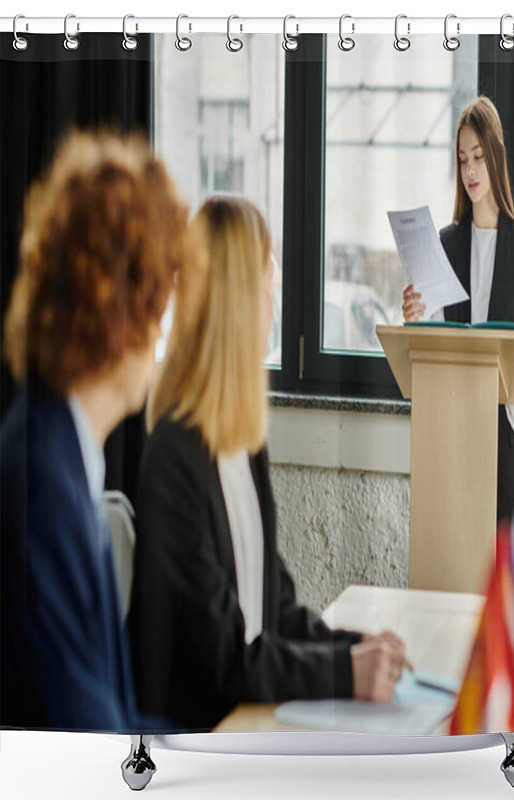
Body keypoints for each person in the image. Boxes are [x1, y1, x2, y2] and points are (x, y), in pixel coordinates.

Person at [128, 196, 409, 732]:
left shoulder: (241, 440)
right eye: (267, 280)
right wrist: (344, 674)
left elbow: (274, 609)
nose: (275, 300)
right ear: (238, 301)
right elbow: (224, 662)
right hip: (202, 738)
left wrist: (357, 649)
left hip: (252, 716)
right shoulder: (174, 458)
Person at [0, 130, 189, 730]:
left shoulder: (60, 446)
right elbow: (93, 751)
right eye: (158, 305)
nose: (161, 331)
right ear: (122, 312)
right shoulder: (44, 485)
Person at [402, 96, 514, 525]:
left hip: (504, 440)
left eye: (479, 157)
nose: (470, 170)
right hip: (452, 435)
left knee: (504, 580)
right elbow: (433, 351)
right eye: (463, 160)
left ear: (495, 157)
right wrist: (415, 319)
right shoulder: (444, 246)